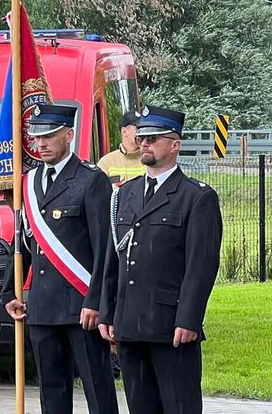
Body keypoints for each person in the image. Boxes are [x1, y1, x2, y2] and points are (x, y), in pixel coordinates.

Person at [99, 106, 222, 414]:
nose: (144, 143)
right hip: (129, 324)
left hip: (170, 326)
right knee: (140, 407)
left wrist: (189, 319)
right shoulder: (124, 194)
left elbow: (201, 266)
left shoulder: (196, 197)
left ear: (175, 144)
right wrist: (107, 312)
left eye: (153, 138)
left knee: (179, 406)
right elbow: (113, 260)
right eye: (142, 137)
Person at [4, 105, 118, 414]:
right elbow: (23, 241)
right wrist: (10, 291)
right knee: (52, 392)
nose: (41, 144)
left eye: (49, 136)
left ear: (69, 135)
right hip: (42, 306)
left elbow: (104, 248)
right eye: (37, 137)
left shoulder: (90, 180)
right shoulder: (28, 182)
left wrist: (96, 301)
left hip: (81, 305)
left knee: (97, 387)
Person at [97, 110, 145, 185]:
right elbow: (98, 190)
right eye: (138, 128)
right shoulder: (106, 162)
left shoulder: (150, 159)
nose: (143, 132)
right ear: (124, 132)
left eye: (144, 128)